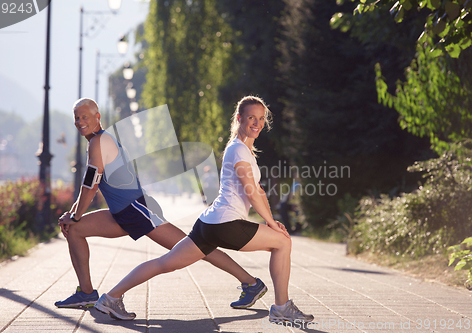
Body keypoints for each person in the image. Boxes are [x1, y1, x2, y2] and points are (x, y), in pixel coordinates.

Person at [95, 96, 315, 324]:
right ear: (239, 119)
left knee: (166, 263)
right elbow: (251, 191)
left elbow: (258, 191)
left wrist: (272, 220)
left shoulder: (245, 151)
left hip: (209, 224)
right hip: (226, 224)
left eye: (261, 119)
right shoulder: (238, 150)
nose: (257, 123)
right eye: (251, 118)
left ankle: (110, 297)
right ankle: (281, 307)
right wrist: (271, 223)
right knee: (283, 242)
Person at [55, 98, 267, 312]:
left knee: (197, 247)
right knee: (74, 229)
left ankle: (250, 283)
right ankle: (86, 293)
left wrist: (74, 215)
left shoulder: (99, 142)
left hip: (138, 210)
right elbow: (88, 184)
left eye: (85, 117)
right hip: (122, 213)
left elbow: (91, 185)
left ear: (97, 117)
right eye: (77, 118)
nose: (80, 122)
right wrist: (73, 216)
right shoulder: (97, 141)